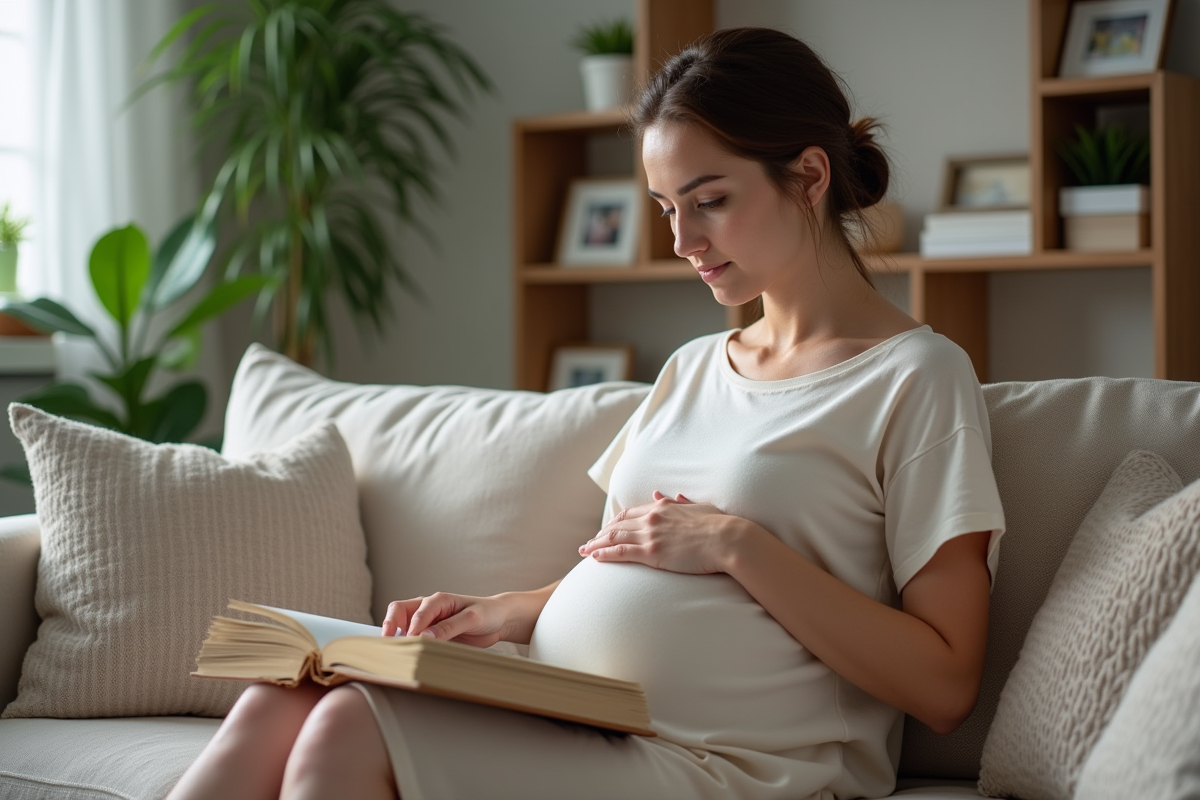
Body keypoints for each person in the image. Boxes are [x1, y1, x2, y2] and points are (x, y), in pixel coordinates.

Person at [167, 27, 1005, 800]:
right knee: (284, 698)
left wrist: (735, 545)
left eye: (709, 199)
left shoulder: (916, 377)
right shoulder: (690, 370)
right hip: (591, 719)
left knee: (351, 724)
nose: (683, 240)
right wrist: (497, 613)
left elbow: (943, 684)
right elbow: (616, 562)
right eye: (667, 206)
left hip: (740, 764)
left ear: (811, 176)